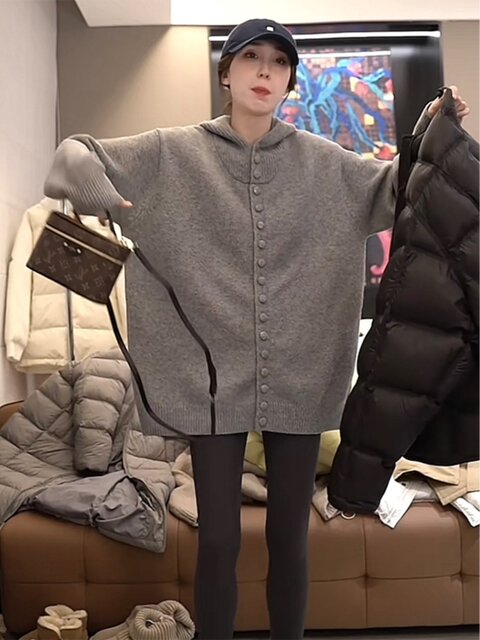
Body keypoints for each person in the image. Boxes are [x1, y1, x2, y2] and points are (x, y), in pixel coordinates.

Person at [43, 18, 470, 640]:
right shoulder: (169, 152)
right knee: (218, 539)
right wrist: (92, 185)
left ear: (291, 81)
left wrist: (434, 131)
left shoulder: (328, 164)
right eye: (251, 57)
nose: (265, 70)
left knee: (290, 536)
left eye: (279, 61)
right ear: (227, 72)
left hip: (301, 373)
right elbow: (70, 156)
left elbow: (401, 186)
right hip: (208, 379)